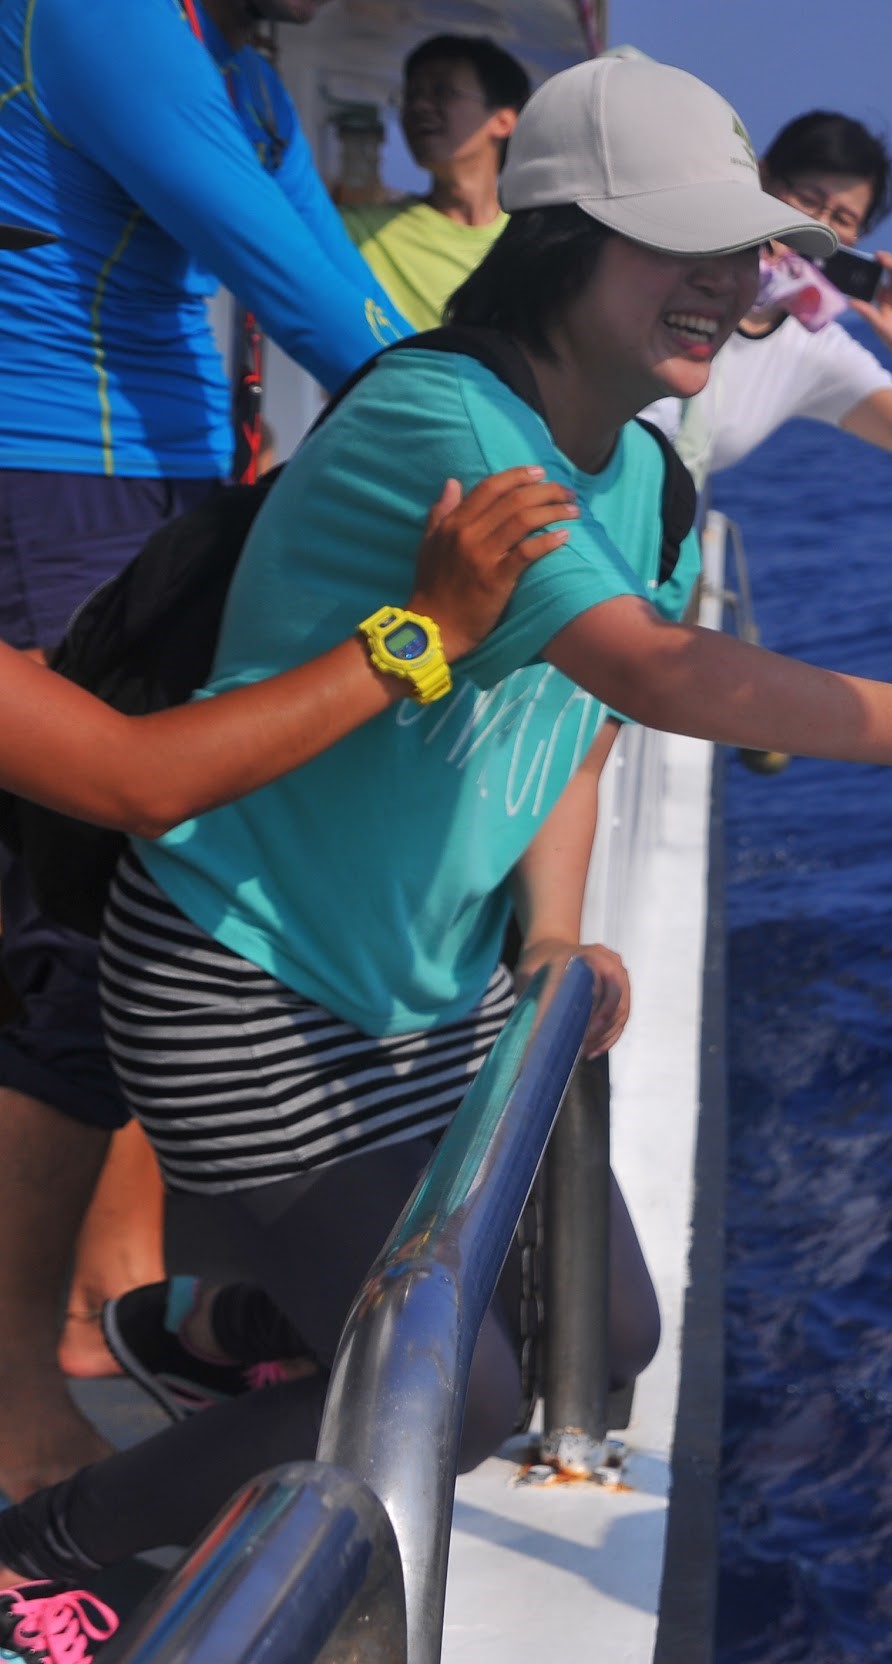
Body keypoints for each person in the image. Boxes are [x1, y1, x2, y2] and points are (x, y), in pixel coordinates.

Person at [0, 53, 892, 1640]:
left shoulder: (649, 472)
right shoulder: (443, 419)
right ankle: (61, 1543)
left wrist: (547, 941)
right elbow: (659, 673)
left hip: (432, 994)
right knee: (457, 1399)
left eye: (749, 249)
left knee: (611, 1342)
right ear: (566, 238)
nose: (732, 285)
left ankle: (223, 1324)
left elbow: (570, 727)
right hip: (251, 981)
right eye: (687, 246)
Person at [0, 0, 411, 1500]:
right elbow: (300, 288)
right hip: (55, 488)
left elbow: (338, 272)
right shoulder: (101, 13)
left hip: (166, 490)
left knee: (139, 906)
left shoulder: (238, 57)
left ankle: (113, 1290)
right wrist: (518, 451)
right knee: (64, 933)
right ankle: (14, 1400)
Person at [643, 110, 892, 485]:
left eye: (842, 218)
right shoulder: (668, 261)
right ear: (762, 177)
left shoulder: (814, 347)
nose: (817, 226)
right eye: (807, 199)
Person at [342, 34, 532, 331]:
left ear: (503, 121)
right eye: (410, 95)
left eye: (442, 92)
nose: (419, 106)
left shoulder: (532, 244)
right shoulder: (362, 232)